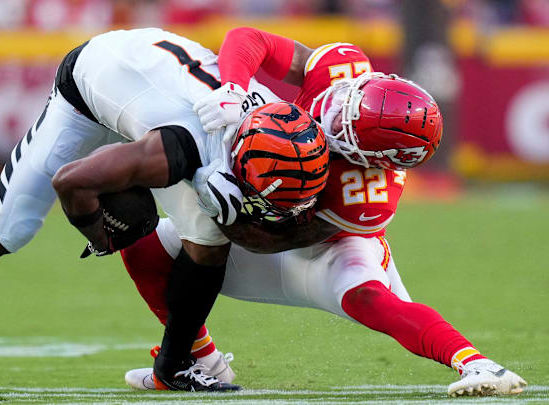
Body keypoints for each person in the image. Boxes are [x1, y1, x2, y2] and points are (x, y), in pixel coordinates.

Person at [0, 28, 331, 392]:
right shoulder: (177, 149)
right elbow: (72, 182)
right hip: (90, 85)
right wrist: (99, 234)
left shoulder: (277, 121)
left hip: (154, 78)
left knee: (211, 235)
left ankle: (174, 367)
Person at [120, 27, 527, 397]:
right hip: (269, 202)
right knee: (141, 246)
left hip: (321, 242)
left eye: (346, 125)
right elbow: (248, 39)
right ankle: (201, 361)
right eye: (350, 101)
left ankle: (478, 364)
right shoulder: (341, 69)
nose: (330, 112)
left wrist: (221, 204)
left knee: (368, 297)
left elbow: (272, 240)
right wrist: (233, 89)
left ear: (373, 160)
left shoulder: (366, 195)